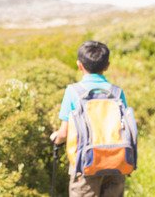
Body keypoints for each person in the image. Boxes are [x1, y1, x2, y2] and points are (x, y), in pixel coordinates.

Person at [50, 40, 127, 197]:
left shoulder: (73, 92)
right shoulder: (117, 92)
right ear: (107, 65)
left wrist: (55, 139)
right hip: (116, 163)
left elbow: (63, 133)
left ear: (79, 65)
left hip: (85, 164)